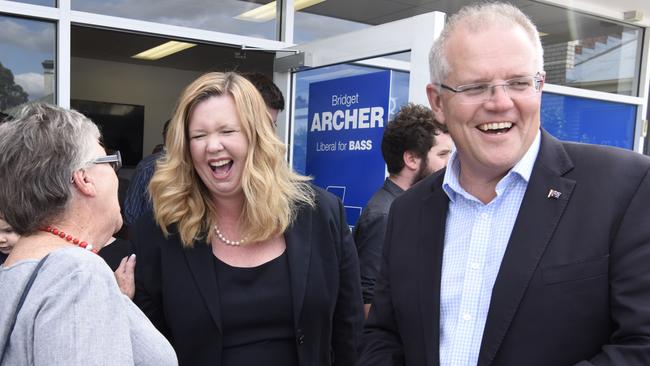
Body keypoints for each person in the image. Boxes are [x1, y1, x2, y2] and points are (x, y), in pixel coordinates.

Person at [359, 2, 650, 366]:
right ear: (437, 102)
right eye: (475, 87)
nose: (500, 103)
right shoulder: (408, 211)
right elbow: (384, 336)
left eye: (518, 83)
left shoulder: (625, 187)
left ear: (540, 85)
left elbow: (642, 345)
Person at [132, 72, 363, 366]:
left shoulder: (320, 213)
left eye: (227, 131)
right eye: (199, 135)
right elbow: (151, 348)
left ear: (257, 135)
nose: (212, 146)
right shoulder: (160, 231)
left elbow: (349, 330)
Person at [0, 103, 177, 365]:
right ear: (84, 179)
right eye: (108, 161)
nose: (116, 176)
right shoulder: (76, 274)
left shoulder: (17, 266)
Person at [353, 103, 451, 318]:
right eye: (443, 154)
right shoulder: (385, 215)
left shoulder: (409, 208)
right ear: (412, 159)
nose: (450, 163)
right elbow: (368, 300)